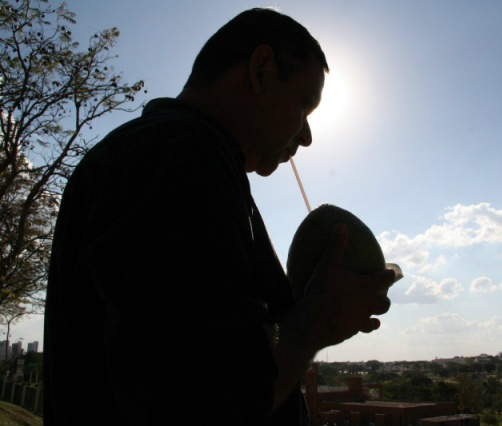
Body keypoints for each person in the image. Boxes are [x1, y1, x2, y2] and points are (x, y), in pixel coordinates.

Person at [43, 8, 395, 426]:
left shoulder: (169, 156)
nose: (307, 135)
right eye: (304, 104)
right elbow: (205, 402)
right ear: (261, 69)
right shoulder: (175, 156)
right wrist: (318, 318)